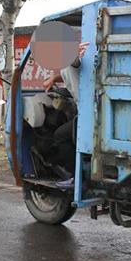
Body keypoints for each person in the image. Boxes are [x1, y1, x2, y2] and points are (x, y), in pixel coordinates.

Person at [42, 42, 89, 189]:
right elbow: (69, 74)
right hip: (84, 109)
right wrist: (53, 80)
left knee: (60, 135)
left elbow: (75, 64)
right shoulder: (65, 64)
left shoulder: (72, 59)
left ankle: (78, 178)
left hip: (87, 112)